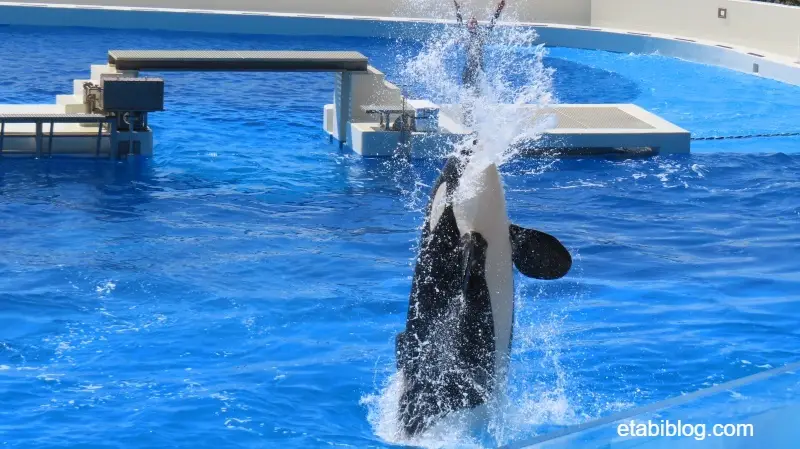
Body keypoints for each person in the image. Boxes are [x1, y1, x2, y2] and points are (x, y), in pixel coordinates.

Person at [454, 0, 506, 92]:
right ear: (467, 25)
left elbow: (492, 23)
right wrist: (457, 9)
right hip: (468, 67)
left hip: (479, 67)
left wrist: (499, 10)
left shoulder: (481, 34)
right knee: (467, 89)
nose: (474, 24)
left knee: (478, 90)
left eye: (475, 23)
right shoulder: (465, 34)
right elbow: (459, 22)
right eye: (471, 22)